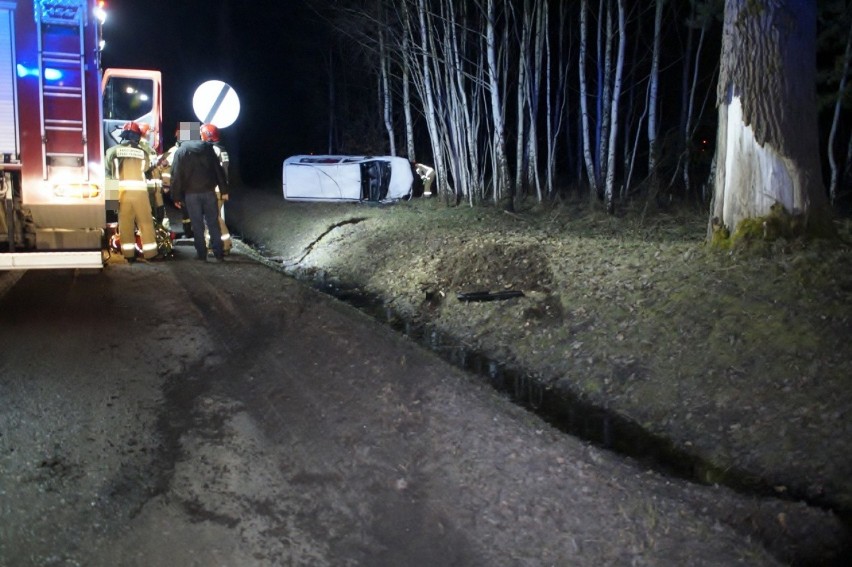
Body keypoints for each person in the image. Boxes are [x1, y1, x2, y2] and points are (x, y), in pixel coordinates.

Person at [169, 126, 229, 261]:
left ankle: (202, 255)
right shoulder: (208, 148)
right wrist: (224, 190)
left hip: (191, 194)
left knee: (197, 225)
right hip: (209, 192)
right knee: (213, 223)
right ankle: (219, 254)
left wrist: (176, 197)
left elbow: (176, 176)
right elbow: (218, 170)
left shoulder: (181, 151)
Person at [104, 122, 160, 263]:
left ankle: (129, 255)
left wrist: (110, 203)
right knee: (146, 222)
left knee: (125, 223)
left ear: (123, 135)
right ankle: (151, 254)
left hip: (122, 193)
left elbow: (109, 177)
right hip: (140, 194)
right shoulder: (143, 152)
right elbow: (147, 167)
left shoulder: (112, 152)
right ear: (137, 136)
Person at [200, 123, 232, 254]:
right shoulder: (221, 149)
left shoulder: (212, 150)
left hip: (214, 189)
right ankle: (210, 244)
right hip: (219, 188)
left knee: (214, 217)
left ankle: (225, 245)